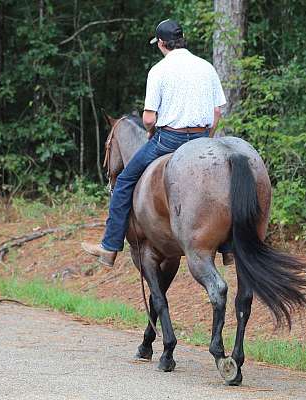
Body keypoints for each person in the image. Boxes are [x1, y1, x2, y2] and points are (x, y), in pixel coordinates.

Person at [82, 19, 233, 267]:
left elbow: (149, 118)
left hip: (170, 139)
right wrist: (207, 137)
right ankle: (228, 247)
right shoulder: (206, 66)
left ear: (162, 43)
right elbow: (216, 112)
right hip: (201, 139)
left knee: (124, 183)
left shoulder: (159, 70)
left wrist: (151, 130)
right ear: (182, 40)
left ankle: (109, 247)